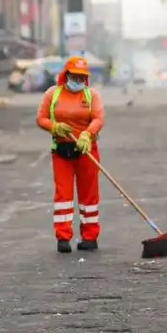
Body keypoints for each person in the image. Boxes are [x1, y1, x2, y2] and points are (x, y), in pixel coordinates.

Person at [35, 56, 106, 253]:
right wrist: (54, 127)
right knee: (63, 195)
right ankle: (63, 237)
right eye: (75, 76)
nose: (78, 80)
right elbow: (41, 118)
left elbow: (98, 118)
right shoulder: (53, 94)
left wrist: (87, 134)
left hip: (86, 150)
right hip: (61, 151)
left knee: (89, 196)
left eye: (82, 77)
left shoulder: (91, 95)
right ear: (66, 75)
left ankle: (90, 237)